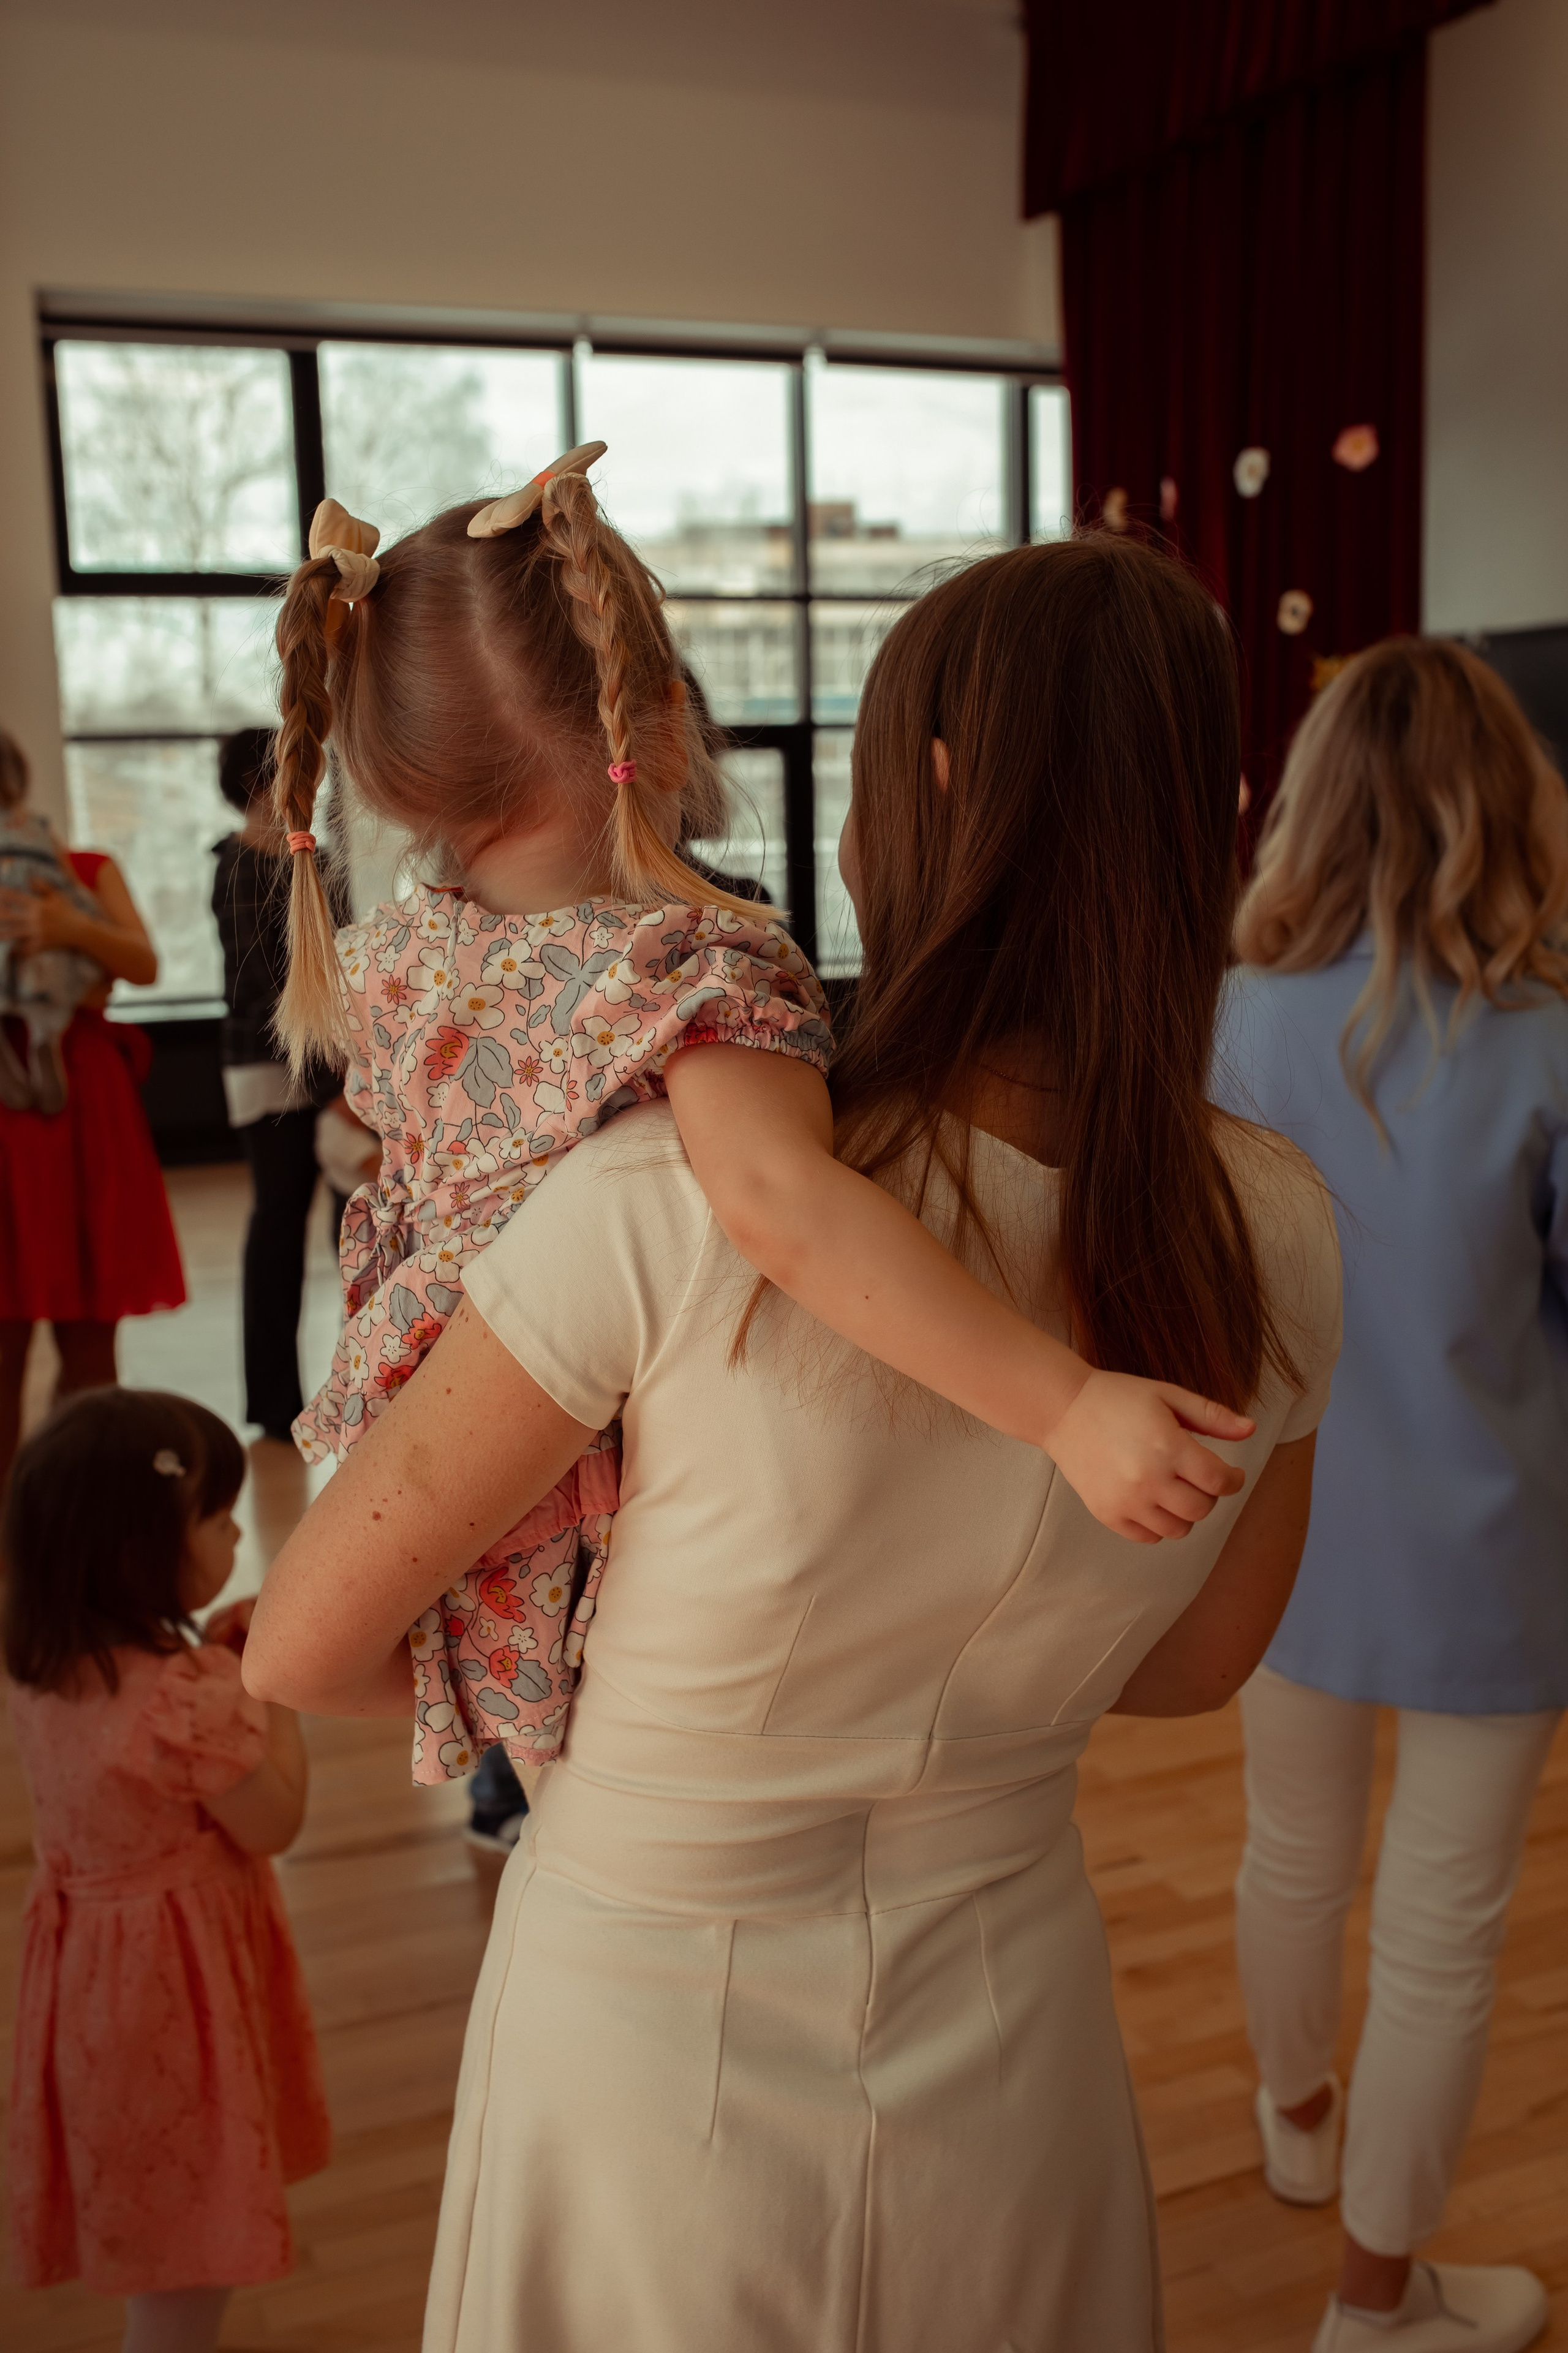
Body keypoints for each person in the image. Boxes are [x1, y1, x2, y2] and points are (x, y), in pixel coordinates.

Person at [244, 532, 1344, 2351]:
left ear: (914, 795)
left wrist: (586, 1683)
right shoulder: (1280, 1226)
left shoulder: (660, 1197)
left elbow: (302, 1640)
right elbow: (1201, 1656)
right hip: (1017, 2029)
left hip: (649, 2038)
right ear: (1202, 808)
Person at [270, 452, 1257, 1788]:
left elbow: (298, 1657)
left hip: (440, 1489)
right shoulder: (688, 979)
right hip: (589, 1515)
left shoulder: (400, 963)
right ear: (661, 722)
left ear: (390, 781)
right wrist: (1066, 1406)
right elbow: (781, 1206)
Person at [1222, 638, 1567, 2353]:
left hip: (1278, 1543)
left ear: (1316, 807)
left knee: (1290, 1850)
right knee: (1441, 1931)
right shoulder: (1548, 1042)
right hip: (1498, 1561)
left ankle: (1298, 2129)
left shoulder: (1226, 1022)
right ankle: (1377, 2305)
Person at [2, 1386, 330, 2353]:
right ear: (135, 1552)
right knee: (192, 2257)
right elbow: (274, 1821)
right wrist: (276, 1689)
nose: (238, 1533)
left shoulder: (47, 1660)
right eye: (219, 1517)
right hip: (176, 1994)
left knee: (147, 2203)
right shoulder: (180, 1704)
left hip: (91, 1984)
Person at [0, 730, 185, 1482]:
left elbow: (142, 963)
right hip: (12, 1107)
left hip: (82, 1103)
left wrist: (70, 928)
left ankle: (84, 1509)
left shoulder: (85, 871)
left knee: (90, 1332)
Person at [211, 725, 358, 1443]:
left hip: (324, 1068)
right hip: (277, 1073)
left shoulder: (315, 862)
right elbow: (267, 989)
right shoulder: (239, 866)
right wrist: (338, 1075)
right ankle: (276, 1404)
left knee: (347, 1227)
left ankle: (362, 1384)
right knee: (279, 1225)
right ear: (261, 782)